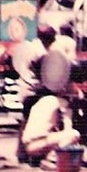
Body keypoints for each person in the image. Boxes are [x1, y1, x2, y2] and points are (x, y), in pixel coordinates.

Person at [13, 24, 58, 164]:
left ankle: (21, 153)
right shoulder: (41, 53)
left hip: (24, 87)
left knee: (25, 121)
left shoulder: (28, 46)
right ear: (48, 38)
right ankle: (31, 154)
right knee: (35, 123)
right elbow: (45, 74)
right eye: (53, 38)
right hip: (34, 90)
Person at [20, 93, 80, 164]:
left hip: (29, 145)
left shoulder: (42, 101)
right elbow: (68, 129)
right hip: (39, 143)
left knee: (62, 138)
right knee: (73, 134)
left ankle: (44, 157)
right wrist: (69, 114)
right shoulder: (61, 103)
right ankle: (52, 159)